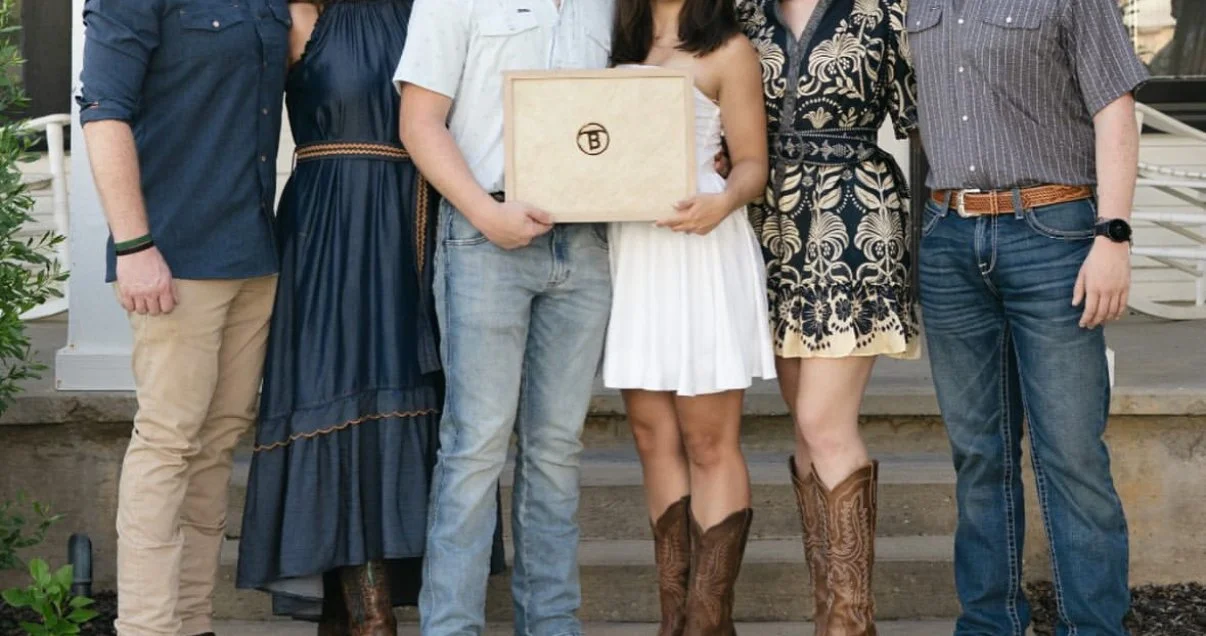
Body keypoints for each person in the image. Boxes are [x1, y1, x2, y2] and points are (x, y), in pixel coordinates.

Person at [233, 1, 502, 634]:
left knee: (429, 413)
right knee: (341, 402)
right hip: (332, 229)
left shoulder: (436, 11)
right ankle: (366, 615)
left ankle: (391, 603)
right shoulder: (300, 15)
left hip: (429, 220)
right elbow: (227, 120)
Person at [907, 1, 1148, 634]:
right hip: (949, 236)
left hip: (1053, 233)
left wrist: (1114, 236)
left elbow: (1115, 110)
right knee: (979, 456)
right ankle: (989, 625)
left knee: (1070, 454)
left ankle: (1093, 627)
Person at [394, 0, 615, 633]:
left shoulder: (607, 7)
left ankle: (552, 624)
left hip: (585, 243)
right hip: (484, 241)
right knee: (475, 446)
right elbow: (420, 122)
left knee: (555, 451)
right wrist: (486, 216)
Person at [77, 1, 290, 634]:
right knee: (168, 443)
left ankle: (193, 621)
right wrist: (134, 245)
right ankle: (145, 626)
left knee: (217, 444)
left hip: (253, 252)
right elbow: (103, 112)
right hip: (174, 255)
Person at [736, 0, 920, 632]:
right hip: (766, 224)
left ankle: (849, 622)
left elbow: (929, 121)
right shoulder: (739, 12)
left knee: (823, 420)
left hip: (856, 222)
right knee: (804, 425)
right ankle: (833, 614)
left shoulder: (886, 10)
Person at [602, 0, 772, 633]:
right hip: (633, 251)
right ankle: (673, 617)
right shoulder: (610, 42)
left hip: (700, 247)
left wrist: (722, 200)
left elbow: (752, 161)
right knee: (651, 438)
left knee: (707, 440)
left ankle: (708, 620)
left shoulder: (729, 49)